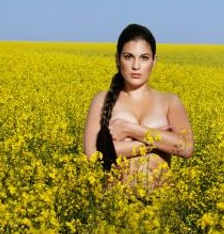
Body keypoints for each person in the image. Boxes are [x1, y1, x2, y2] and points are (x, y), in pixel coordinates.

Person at [83, 23, 194, 190]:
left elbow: (185, 147)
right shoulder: (101, 100)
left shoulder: (169, 101)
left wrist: (131, 130)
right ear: (117, 59)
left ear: (154, 61)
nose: (136, 66)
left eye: (144, 57)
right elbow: (92, 155)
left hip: (159, 209)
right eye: (128, 57)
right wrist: (157, 142)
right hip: (114, 207)